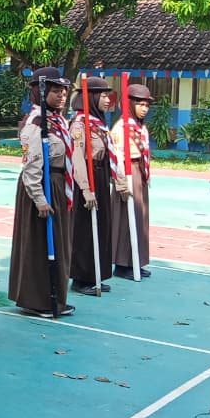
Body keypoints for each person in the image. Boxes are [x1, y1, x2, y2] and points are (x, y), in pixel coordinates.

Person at [8, 68, 75, 318]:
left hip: (57, 183)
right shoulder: (35, 124)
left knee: (59, 242)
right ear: (41, 91)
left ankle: (56, 296)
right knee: (39, 245)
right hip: (41, 184)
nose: (62, 95)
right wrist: (39, 198)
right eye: (56, 90)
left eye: (64, 90)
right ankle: (40, 300)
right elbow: (31, 163)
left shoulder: (58, 120)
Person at [69, 76, 114, 295]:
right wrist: (86, 188)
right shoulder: (80, 124)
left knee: (102, 225)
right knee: (85, 228)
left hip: (101, 175)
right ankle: (81, 277)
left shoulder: (99, 123)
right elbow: (77, 157)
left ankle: (96, 273)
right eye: (104, 95)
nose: (107, 100)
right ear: (93, 97)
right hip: (87, 176)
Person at [110, 83, 153, 278]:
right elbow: (116, 156)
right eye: (140, 104)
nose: (144, 109)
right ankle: (122, 264)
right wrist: (121, 182)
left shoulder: (139, 126)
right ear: (130, 104)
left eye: (147, 105)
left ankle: (137, 260)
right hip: (127, 174)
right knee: (125, 220)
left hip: (139, 173)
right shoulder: (122, 127)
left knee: (139, 218)